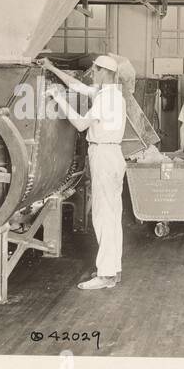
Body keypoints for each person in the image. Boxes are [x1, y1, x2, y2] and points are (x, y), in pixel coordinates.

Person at [42, 54, 127, 290]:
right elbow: (78, 86)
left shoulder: (104, 98)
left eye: (95, 71)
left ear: (102, 72)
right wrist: (51, 67)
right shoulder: (111, 94)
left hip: (103, 156)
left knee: (102, 216)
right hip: (112, 155)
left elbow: (80, 124)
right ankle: (113, 270)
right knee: (112, 215)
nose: (92, 74)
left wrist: (58, 98)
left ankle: (106, 274)